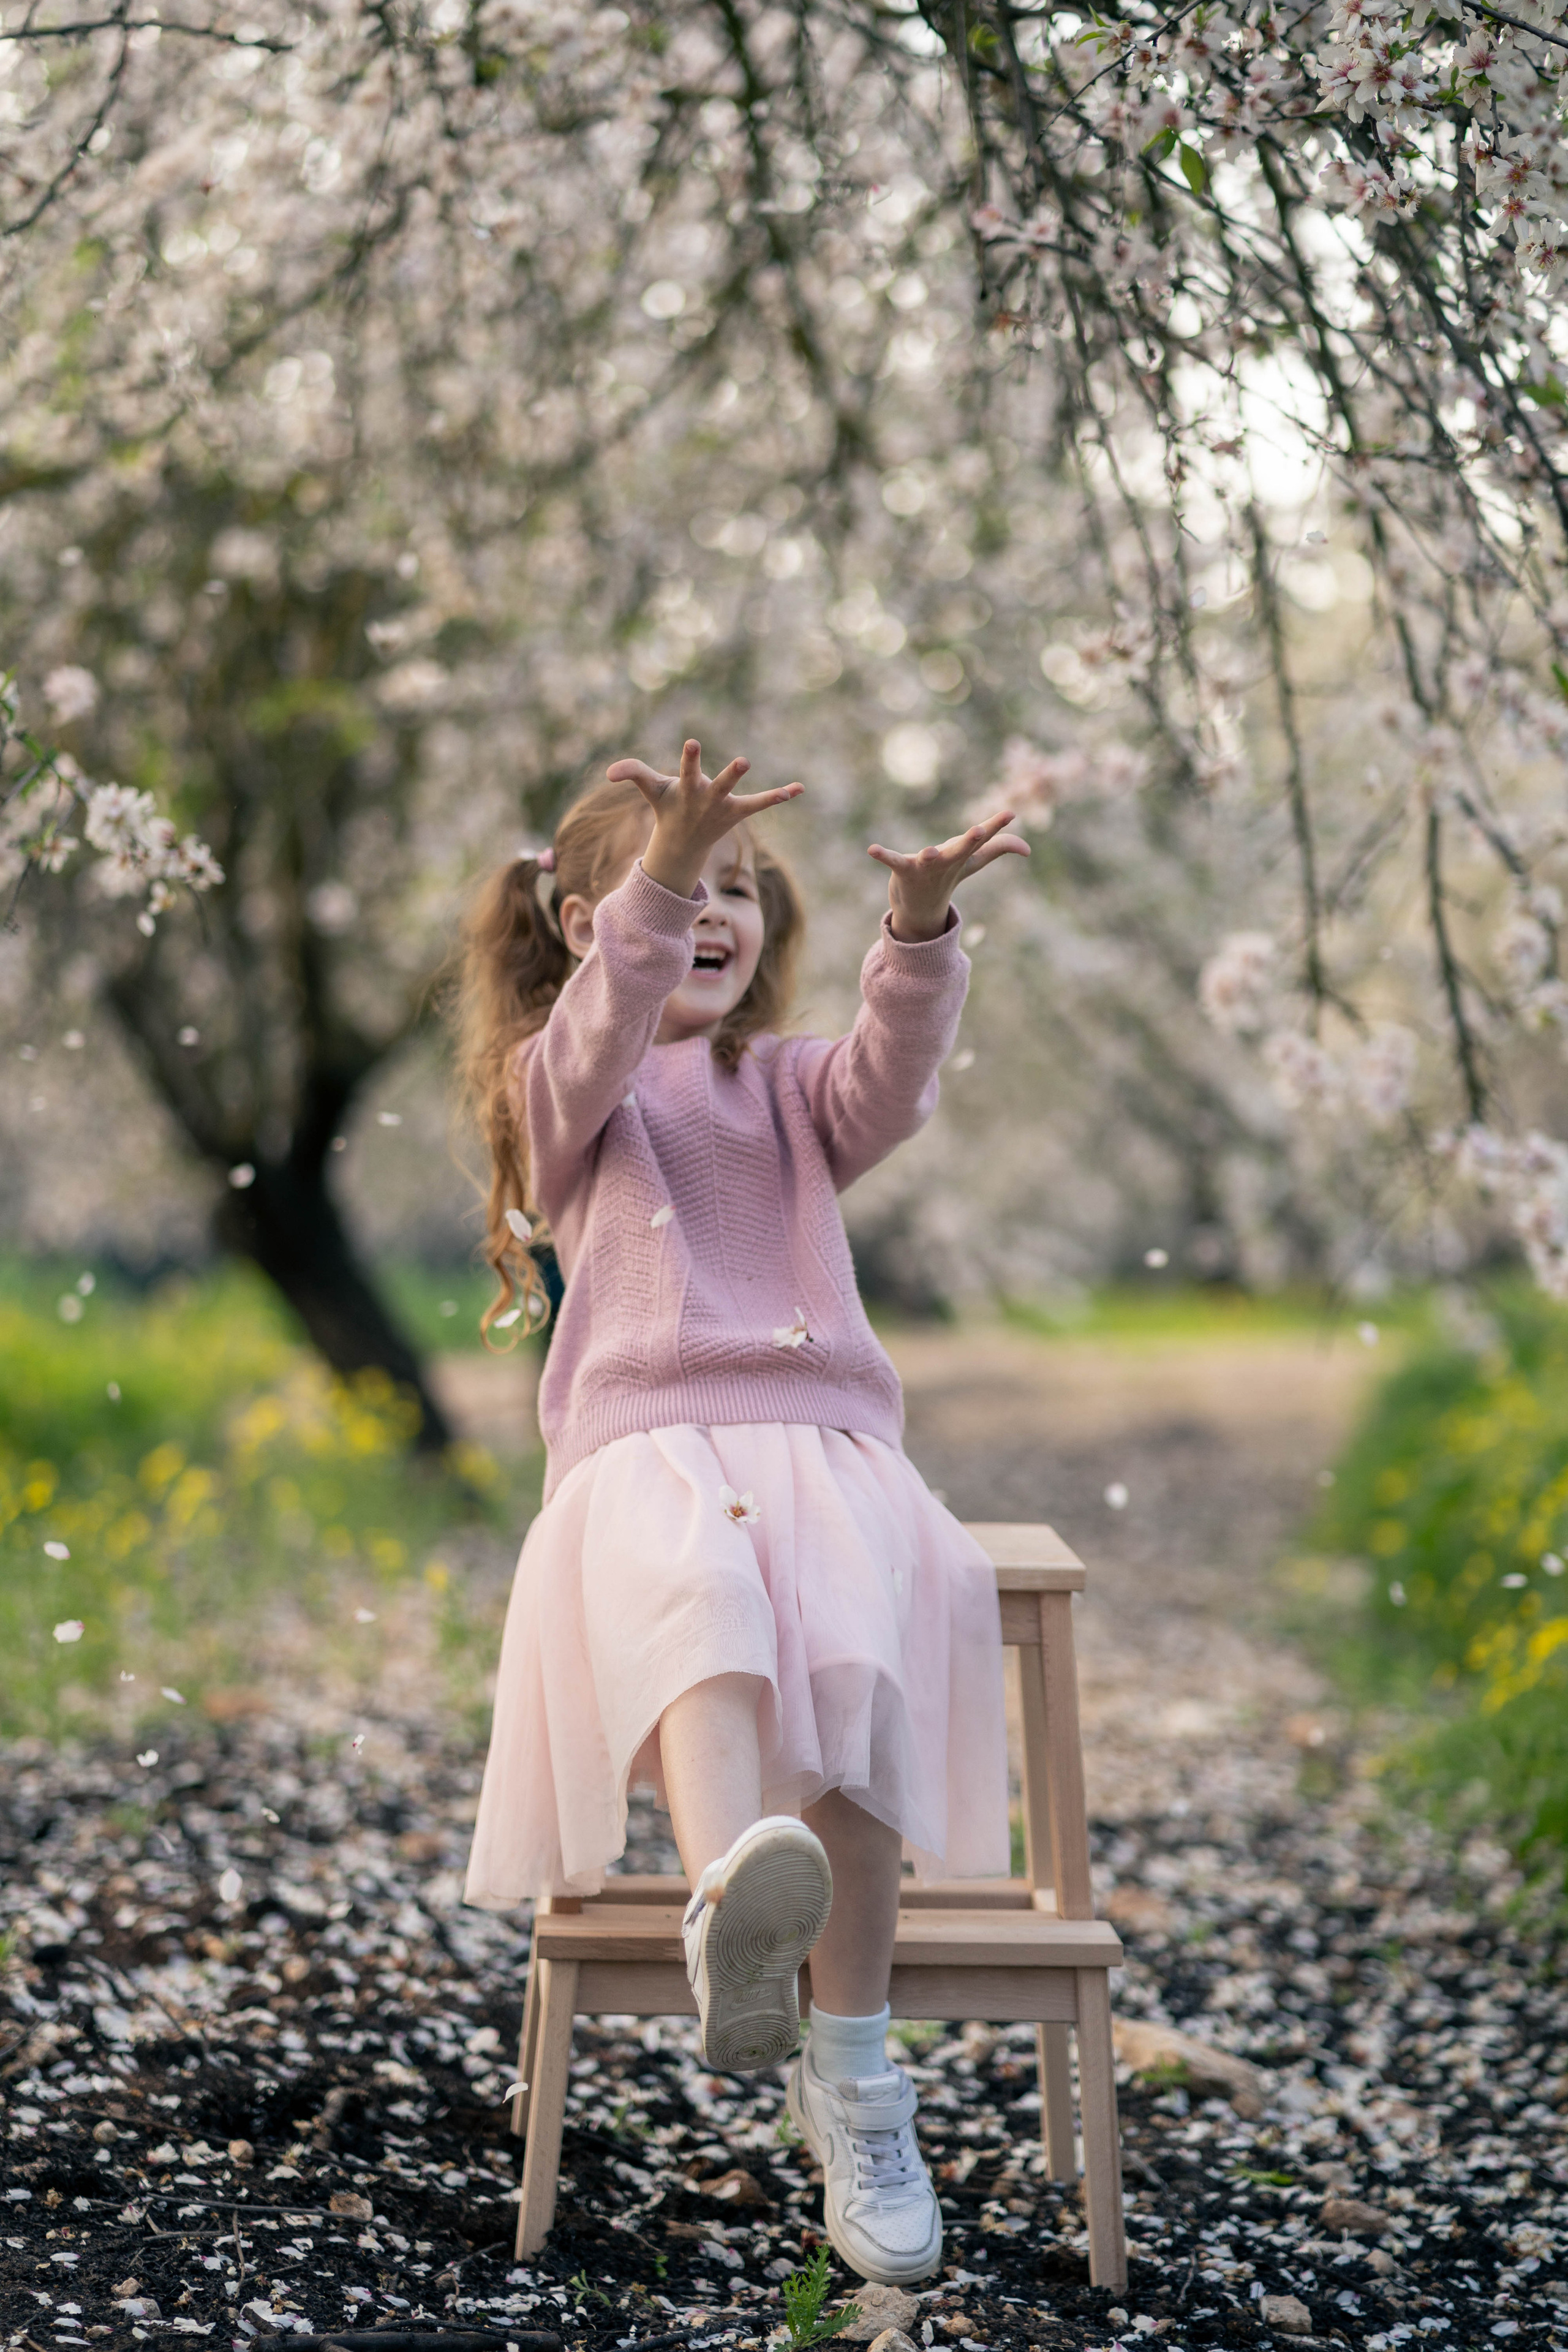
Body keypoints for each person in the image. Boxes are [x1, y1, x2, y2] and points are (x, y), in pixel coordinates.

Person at [458, 740, 1028, 2284]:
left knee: (848, 1652)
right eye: (673, 892)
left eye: (735, 892)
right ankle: (730, 1905)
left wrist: (914, 939)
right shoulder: (561, 1087)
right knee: (691, 1582)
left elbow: (888, 1083)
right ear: (588, 926)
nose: (710, 912)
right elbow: (591, 1048)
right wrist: (661, 876)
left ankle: (854, 2080)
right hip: (645, 1442)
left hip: (821, 1440)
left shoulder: (784, 1089)